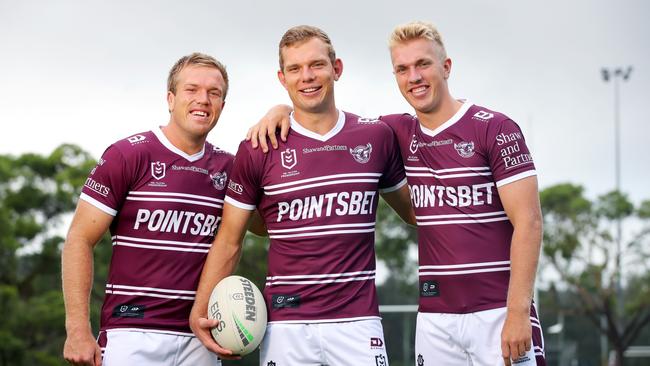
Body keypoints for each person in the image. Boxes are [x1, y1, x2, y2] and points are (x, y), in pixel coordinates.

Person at [248, 21, 546, 366]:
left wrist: (518, 312)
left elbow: (530, 222)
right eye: (403, 69)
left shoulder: (494, 127)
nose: (414, 77)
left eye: (423, 64)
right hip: (435, 319)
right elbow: (326, 121)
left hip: (499, 311)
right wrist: (280, 109)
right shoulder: (393, 131)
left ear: (446, 67)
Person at [189, 25, 414, 366]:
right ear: (282, 78)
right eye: (295, 69)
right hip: (285, 327)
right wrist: (200, 307)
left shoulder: (376, 137)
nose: (306, 77)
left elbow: (416, 213)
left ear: (336, 69)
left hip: (357, 323)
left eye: (316, 65)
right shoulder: (258, 147)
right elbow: (229, 239)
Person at [62, 52, 246, 366]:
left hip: (200, 337)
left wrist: (282, 112)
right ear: (170, 99)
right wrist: (77, 327)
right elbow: (79, 238)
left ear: (222, 107)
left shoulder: (230, 168)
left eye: (214, 93)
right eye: (192, 90)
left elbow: (257, 228)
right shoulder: (128, 155)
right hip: (131, 332)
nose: (203, 99)